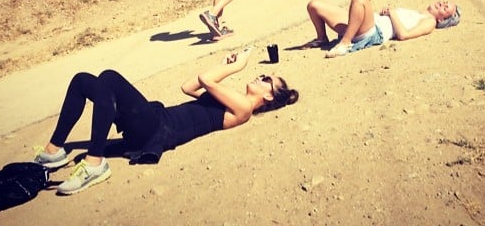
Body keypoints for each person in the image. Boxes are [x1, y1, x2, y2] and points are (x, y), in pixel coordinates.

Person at [33, 49, 299, 195]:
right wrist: (221, 63)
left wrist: (236, 66)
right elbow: (189, 86)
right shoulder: (234, 100)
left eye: (266, 79)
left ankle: (95, 164)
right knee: (84, 80)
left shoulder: (243, 109)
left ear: (268, 96)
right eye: (263, 74)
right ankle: (54, 149)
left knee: (110, 78)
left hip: (158, 130)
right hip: (156, 120)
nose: (260, 76)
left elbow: (206, 80)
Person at [301, 0, 461, 58]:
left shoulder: (430, 22)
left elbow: (404, 35)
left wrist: (392, 14)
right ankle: (322, 38)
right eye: (445, 2)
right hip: (365, 25)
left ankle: (345, 43)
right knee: (314, 5)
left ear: (442, 20)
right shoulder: (418, 13)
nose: (443, 3)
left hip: (373, 32)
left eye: (446, 7)